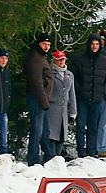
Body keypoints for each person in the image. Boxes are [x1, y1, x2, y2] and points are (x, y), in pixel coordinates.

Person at [70, 34, 106, 158]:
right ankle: (81, 151)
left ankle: (91, 152)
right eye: (93, 44)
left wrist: (103, 91)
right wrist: (79, 90)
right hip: (82, 98)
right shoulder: (79, 59)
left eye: (97, 44)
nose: (94, 46)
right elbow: (73, 77)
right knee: (81, 126)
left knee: (93, 127)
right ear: (89, 44)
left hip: (97, 98)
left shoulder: (105, 60)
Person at [23, 33, 54, 165]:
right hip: (37, 98)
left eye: (48, 44)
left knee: (44, 129)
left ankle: (49, 155)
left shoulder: (40, 56)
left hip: (42, 98)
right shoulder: (35, 57)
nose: (46, 47)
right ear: (39, 44)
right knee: (37, 129)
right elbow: (36, 82)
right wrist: (44, 101)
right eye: (44, 44)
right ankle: (33, 157)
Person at [46, 50, 77, 159]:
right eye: (59, 60)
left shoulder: (69, 75)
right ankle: (50, 158)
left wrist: (73, 112)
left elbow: (71, 94)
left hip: (63, 111)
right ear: (54, 61)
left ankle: (57, 158)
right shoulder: (49, 73)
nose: (61, 62)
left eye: (63, 59)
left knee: (61, 136)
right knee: (51, 135)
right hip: (51, 109)